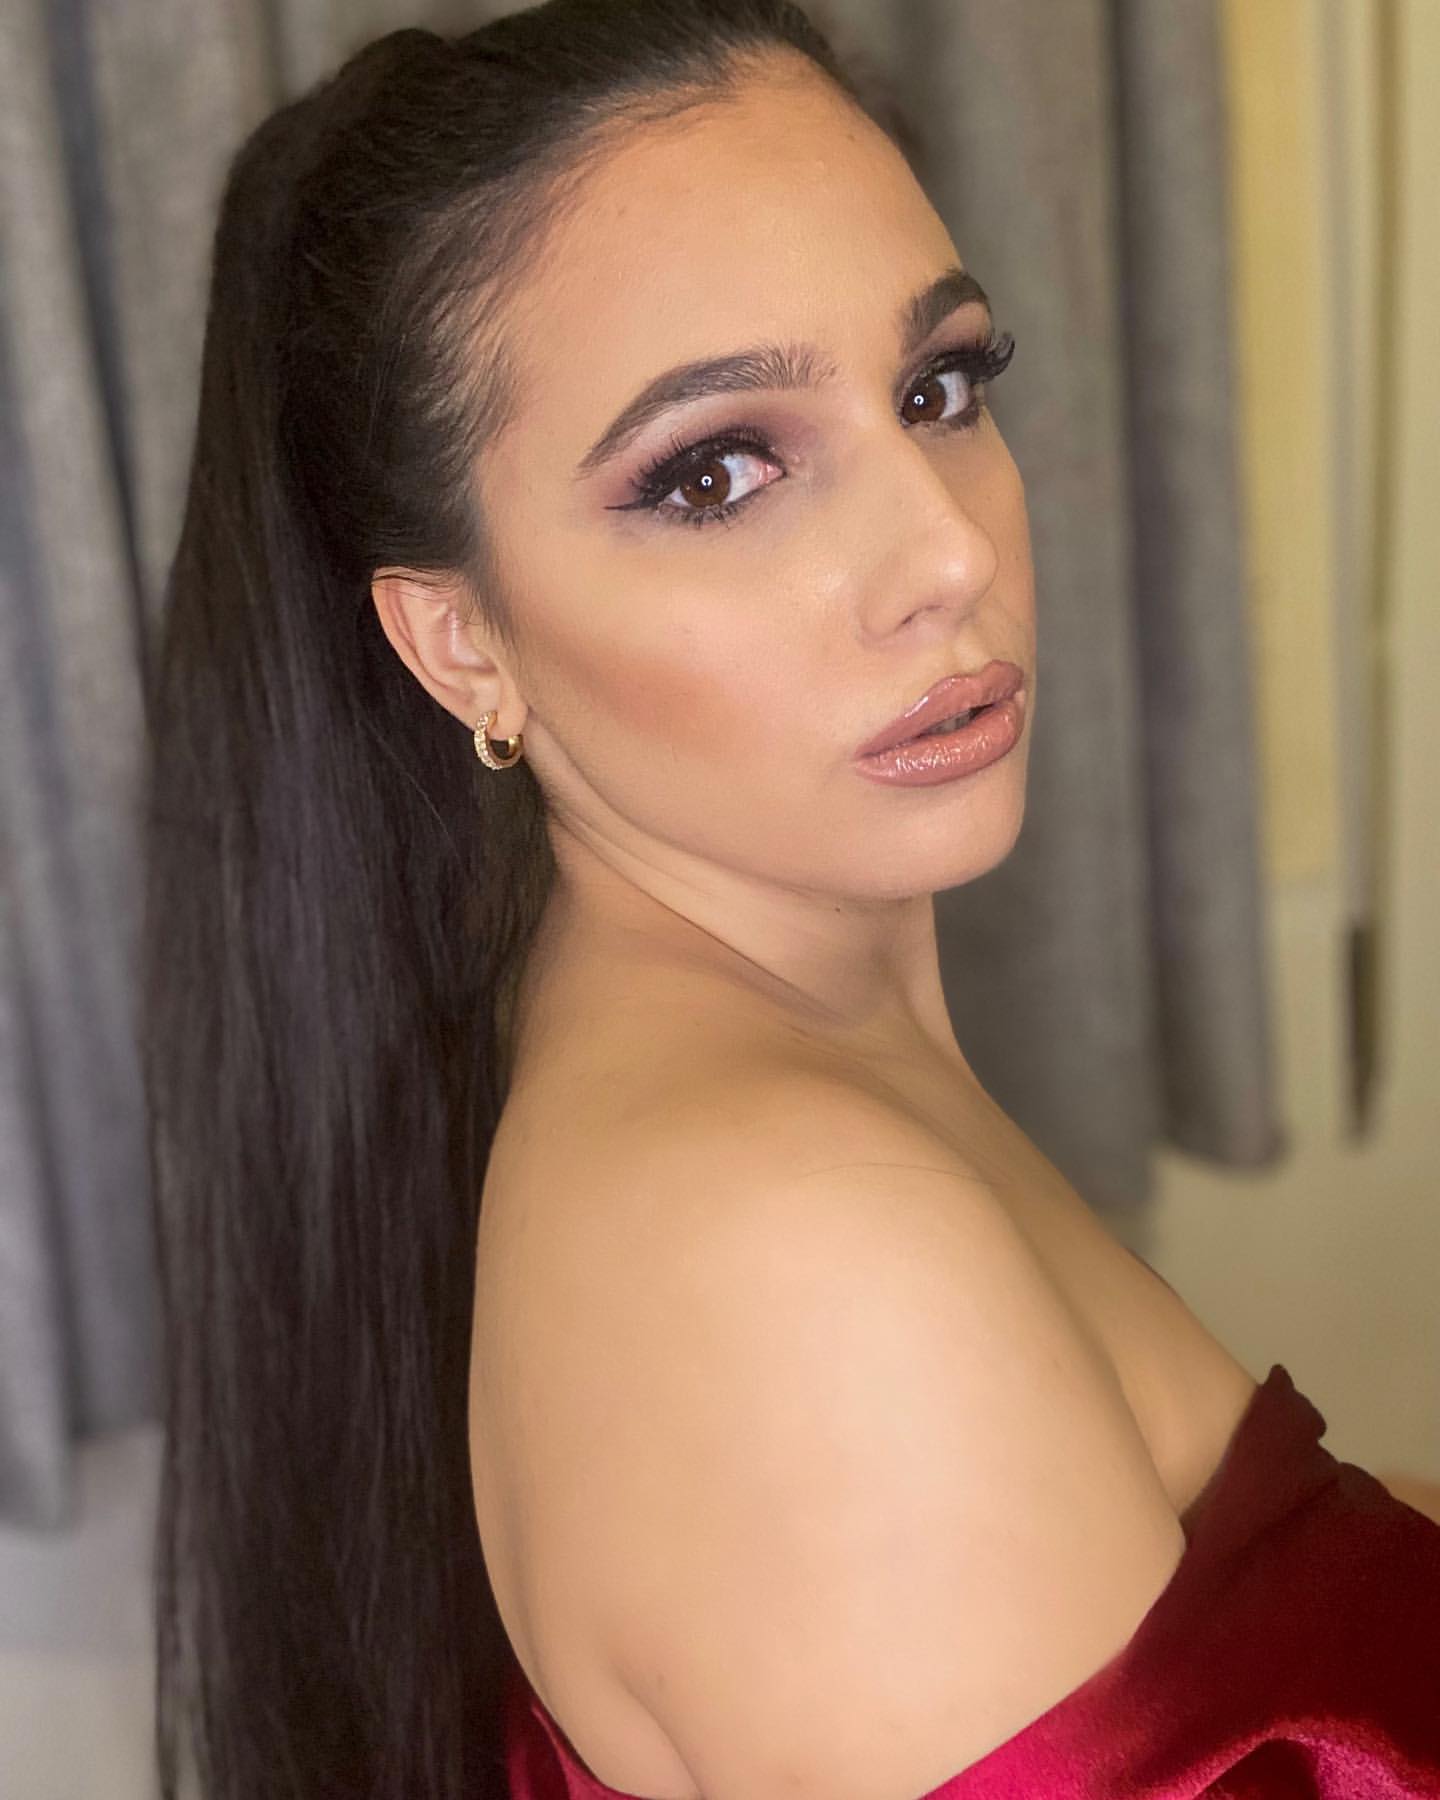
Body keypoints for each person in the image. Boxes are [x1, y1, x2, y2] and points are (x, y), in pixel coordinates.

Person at [140, 2, 1440, 1797]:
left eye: (939, 389)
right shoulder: (797, 1267)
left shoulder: (748, 1096)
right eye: (717, 472)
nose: (950, 553)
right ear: (459, 643)